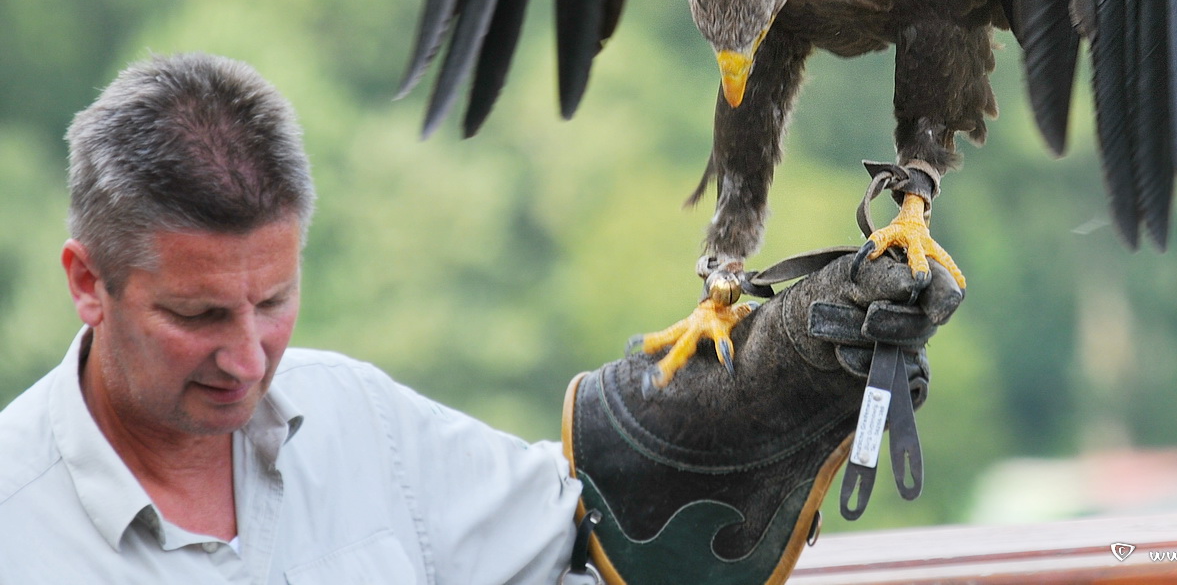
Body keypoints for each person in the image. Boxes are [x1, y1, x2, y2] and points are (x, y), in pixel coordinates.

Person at [0, 53, 961, 584]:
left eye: (274, 300)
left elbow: (600, 536)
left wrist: (759, 397)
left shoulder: (358, 422)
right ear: (88, 281)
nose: (249, 358)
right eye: (199, 313)